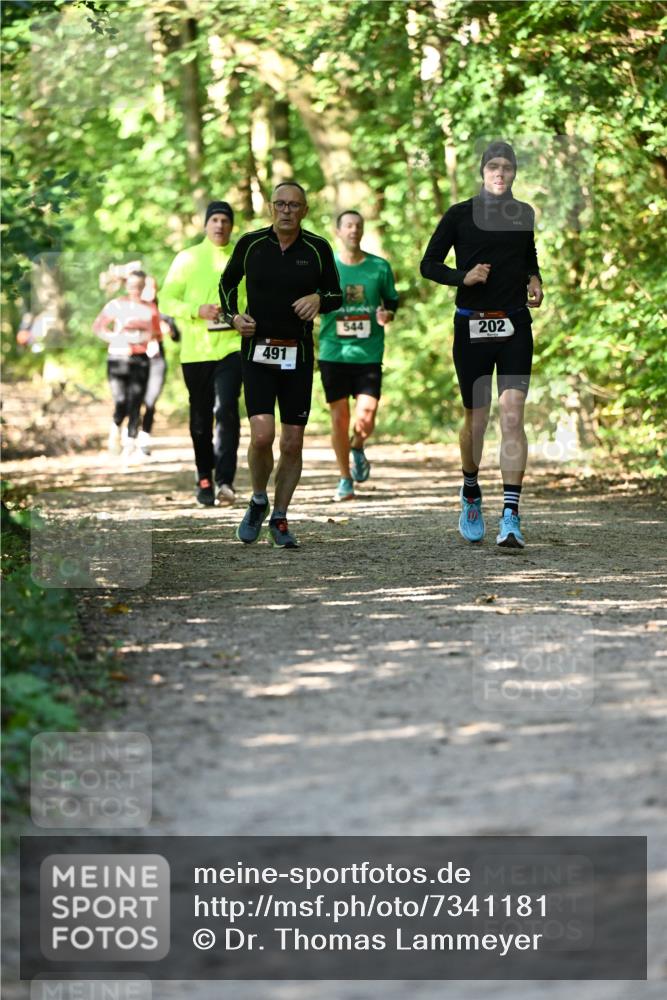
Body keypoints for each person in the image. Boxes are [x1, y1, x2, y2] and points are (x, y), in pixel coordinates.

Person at [420, 140, 543, 548]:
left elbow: (528, 255)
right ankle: (471, 489)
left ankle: (511, 514)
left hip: (514, 326)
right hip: (471, 326)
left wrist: (534, 279)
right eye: (494, 165)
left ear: (514, 173)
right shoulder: (459, 215)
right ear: (482, 170)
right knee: (477, 417)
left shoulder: (522, 213)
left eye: (508, 167)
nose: (500, 173)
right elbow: (429, 264)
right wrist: (463, 277)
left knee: (511, 414)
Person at [219, 181, 342, 548]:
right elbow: (227, 283)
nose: (286, 211)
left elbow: (335, 294)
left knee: (292, 443)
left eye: (294, 205)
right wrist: (233, 317)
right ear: (272, 208)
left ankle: (281, 517)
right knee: (262, 436)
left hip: (298, 355)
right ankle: (258, 498)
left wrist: (319, 299)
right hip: (256, 351)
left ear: (305, 210)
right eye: (280, 204)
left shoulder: (318, 248)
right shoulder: (251, 244)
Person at [160, 200, 241, 506]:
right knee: (200, 419)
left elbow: (255, 297)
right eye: (215, 220)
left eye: (225, 220)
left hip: (232, 347)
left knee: (227, 409)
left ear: (231, 226)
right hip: (196, 352)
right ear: (206, 225)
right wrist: (196, 310)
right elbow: (166, 301)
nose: (220, 225)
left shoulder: (242, 257)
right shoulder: (188, 258)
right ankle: (203, 476)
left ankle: (225, 481)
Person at [318, 210, 399, 500]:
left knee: (366, 418)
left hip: (368, 353)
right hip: (333, 351)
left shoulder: (379, 267)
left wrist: (386, 314)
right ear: (338, 231)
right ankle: (344, 478)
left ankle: (357, 446)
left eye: (358, 226)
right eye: (348, 226)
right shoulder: (325, 269)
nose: (354, 230)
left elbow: (391, 302)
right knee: (339, 417)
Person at [92, 270, 161, 457]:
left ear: (143, 287)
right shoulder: (116, 305)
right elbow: (98, 326)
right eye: (132, 286)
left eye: (139, 286)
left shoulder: (150, 309)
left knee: (136, 401)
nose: (136, 290)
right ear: (126, 286)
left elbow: (156, 334)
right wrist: (114, 337)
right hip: (117, 357)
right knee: (121, 400)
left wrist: (144, 336)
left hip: (140, 359)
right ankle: (115, 428)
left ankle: (130, 442)